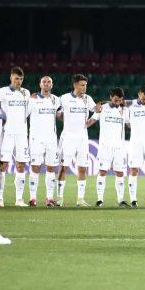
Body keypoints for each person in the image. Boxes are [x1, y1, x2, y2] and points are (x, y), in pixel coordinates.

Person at [57, 74, 97, 207]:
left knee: (82, 169)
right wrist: (65, 119)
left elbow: (97, 109)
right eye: (82, 85)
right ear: (75, 85)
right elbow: (56, 111)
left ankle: (80, 199)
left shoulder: (88, 99)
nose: (85, 87)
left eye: (85, 85)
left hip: (82, 139)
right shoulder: (64, 98)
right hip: (68, 138)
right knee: (63, 168)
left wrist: (91, 121)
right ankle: (59, 197)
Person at [0, 67, 31, 207]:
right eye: (17, 78)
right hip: (7, 133)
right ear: (11, 77)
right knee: (3, 165)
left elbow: (28, 111)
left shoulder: (26, 93)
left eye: (21, 79)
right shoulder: (1, 91)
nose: (19, 81)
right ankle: (0, 198)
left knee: (21, 165)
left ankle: (19, 199)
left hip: (22, 134)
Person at [27, 76, 61, 207]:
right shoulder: (32, 100)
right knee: (35, 167)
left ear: (52, 85)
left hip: (51, 139)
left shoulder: (56, 100)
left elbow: (60, 115)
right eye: (44, 82)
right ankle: (33, 198)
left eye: (49, 82)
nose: (46, 84)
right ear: (40, 84)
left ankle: (49, 197)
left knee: (51, 167)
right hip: (36, 138)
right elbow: (24, 116)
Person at [93, 88, 130, 208]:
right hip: (105, 146)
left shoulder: (125, 110)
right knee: (102, 171)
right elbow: (92, 120)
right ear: (110, 97)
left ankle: (120, 200)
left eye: (119, 100)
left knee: (120, 172)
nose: (117, 102)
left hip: (119, 147)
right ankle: (99, 199)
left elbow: (130, 125)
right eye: (115, 100)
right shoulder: (102, 108)